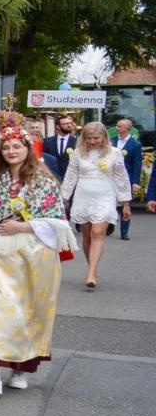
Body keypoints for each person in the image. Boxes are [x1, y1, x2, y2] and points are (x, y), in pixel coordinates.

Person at [0, 126, 73, 396]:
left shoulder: (43, 180)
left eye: (16, 146)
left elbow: (58, 222)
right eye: (6, 147)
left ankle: (19, 368)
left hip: (33, 253)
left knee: (27, 310)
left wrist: (22, 227)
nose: (11, 151)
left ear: (27, 149)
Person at [61, 121, 132, 290]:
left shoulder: (114, 153)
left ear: (104, 137)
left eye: (96, 138)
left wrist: (126, 203)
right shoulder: (78, 153)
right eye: (89, 138)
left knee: (98, 232)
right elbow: (71, 176)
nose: (92, 141)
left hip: (105, 195)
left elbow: (121, 177)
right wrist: (64, 198)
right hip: (83, 195)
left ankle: (91, 272)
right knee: (86, 236)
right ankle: (92, 266)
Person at [112, 119, 144, 240]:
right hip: (112, 177)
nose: (116, 128)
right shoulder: (112, 141)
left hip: (127, 178)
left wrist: (135, 182)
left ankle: (124, 231)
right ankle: (109, 225)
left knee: (125, 204)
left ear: (127, 128)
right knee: (110, 202)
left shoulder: (135, 144)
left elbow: (137, 164)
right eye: (117, 125)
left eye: (119, 126)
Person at [42, 113, 77, 179]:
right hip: (51, 178)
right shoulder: (47, 142)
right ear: (58, 126)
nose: (69, 125)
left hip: (70, 178)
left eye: (70, 123)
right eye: (65, 124)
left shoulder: (76, 142)